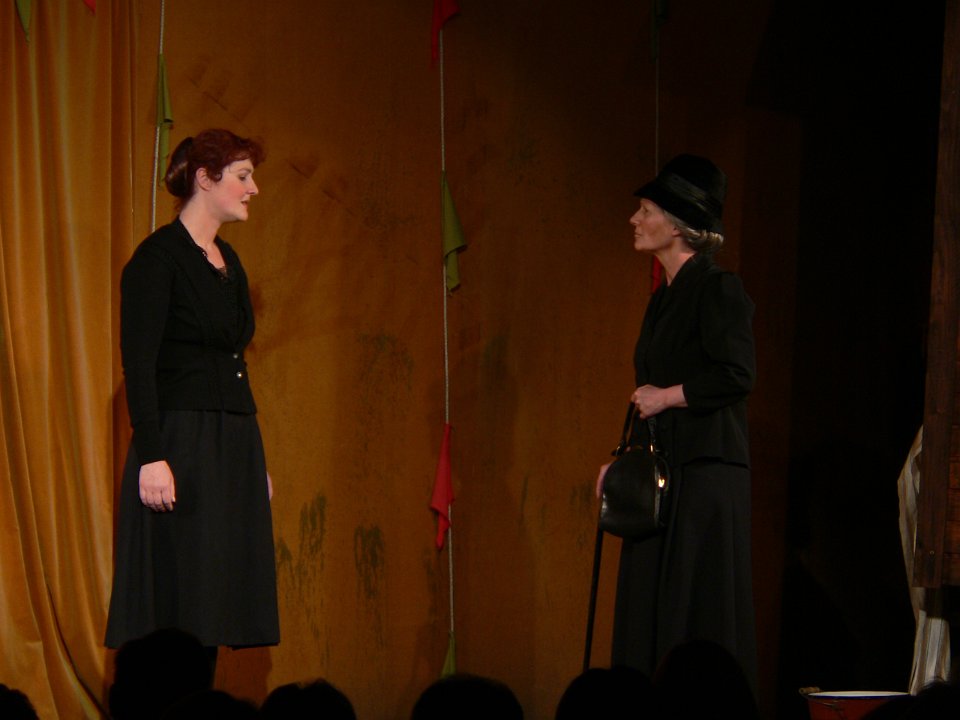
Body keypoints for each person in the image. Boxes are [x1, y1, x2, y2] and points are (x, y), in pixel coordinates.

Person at [105, 129, 279, 657]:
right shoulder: (158, 260)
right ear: (205, 179)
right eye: (243, 176)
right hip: (182, 441)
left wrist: (251, 463)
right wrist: (152, 456)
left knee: (217, 596)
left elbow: (230, 360)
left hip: (231, 441)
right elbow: (140, 364)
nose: (253, 189)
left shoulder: (229, 262)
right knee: (182, 597)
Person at [595, 154, 757, 692]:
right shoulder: (662, 298)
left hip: (703, 478)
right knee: (649, 611)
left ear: (679, 224)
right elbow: (648, 394)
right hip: (664, 477)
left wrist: (667, 397)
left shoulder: (718, 288)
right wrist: (623, 463)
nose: (635, 219)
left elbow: (736, 374)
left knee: (692, 612)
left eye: (646, 210)